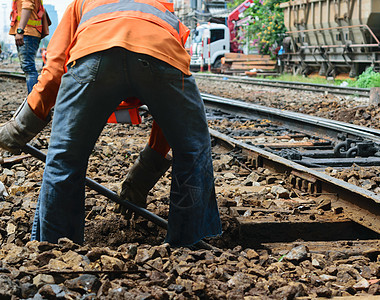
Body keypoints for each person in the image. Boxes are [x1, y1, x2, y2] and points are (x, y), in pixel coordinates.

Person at [0, 0, 222, 247]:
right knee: (193, 150)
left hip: (92, 53)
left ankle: (55, 248)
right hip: (160, 54)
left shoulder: (82, 3)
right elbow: (173, 119)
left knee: (64, 158)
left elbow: (54, 68)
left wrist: (20, 127)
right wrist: (145, 170)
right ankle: (190, 245)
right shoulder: (162, 7)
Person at [9, 0, 48, 94]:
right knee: (28, 67)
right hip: (30, 32)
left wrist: (20, 30)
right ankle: (34, 101)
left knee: (29, 67)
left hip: (27, 32)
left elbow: (27, 6)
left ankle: (34, 102)